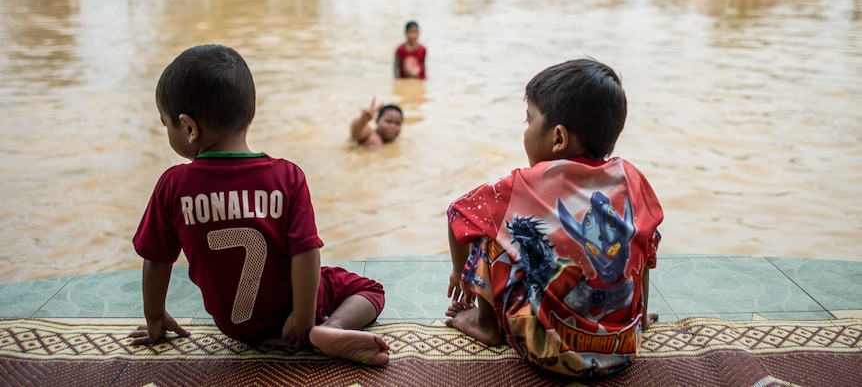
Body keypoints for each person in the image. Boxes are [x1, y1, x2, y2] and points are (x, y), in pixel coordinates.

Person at [129, 44, 390, 366]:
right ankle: (331, 329)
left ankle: (320, 328)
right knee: (370, 289)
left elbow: (156, 259)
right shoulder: (287, 177)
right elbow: (305, 252)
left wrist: (155, 318)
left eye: (165, 124)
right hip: (291, 314)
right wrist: (302, 318)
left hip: (234, 326)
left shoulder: (173, 186)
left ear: (189, 128)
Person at [444, 58, 663, 377]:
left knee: (488, 226)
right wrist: (639, 319)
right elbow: (648, 247)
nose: (525, 130)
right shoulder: (631, 177)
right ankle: (638, 319)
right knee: (643, 233)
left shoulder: (519, 186)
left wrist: (459, 274)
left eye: (528, 121)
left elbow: (457, 213)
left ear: (557, 138)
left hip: (544, 352)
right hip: (623, 349)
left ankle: (484, 324)